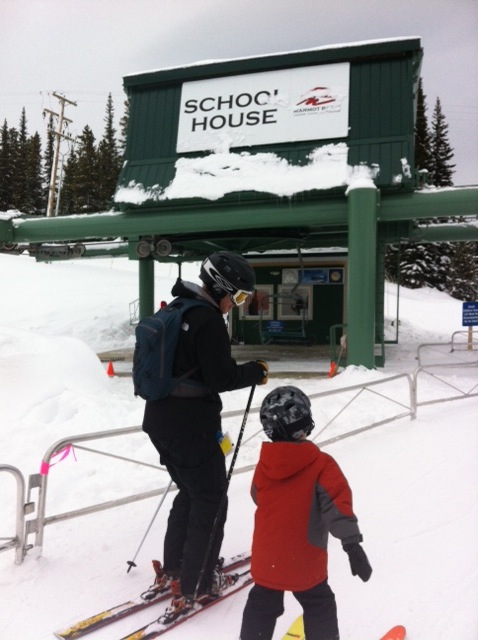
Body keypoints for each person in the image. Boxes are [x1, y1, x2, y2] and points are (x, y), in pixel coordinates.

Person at [141, 251, 269, 621]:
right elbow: (221, 377)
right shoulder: (207, 320)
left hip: (160, 421)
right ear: (221, 289)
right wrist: (255, 371)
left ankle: (176, 569)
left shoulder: (178, 310)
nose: (236, 305)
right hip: (191, 427)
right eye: (239, 297)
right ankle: (198, 581)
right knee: (211, 500)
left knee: (191, 493)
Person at [240, 386, 372, 640]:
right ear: (305, 423)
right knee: (319, 604)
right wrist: (352, 545)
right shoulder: (321, 465)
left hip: (267, 557)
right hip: (304, 558)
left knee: (262, 604)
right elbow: (337, 507)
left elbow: (257, 495)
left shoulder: (265, 464)